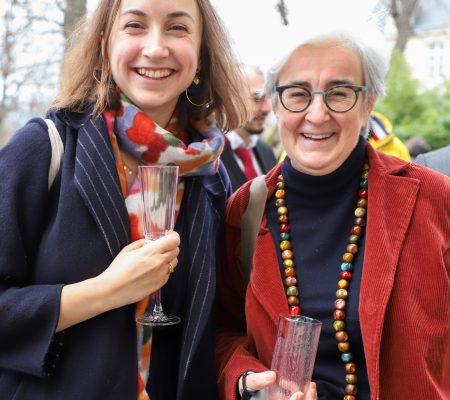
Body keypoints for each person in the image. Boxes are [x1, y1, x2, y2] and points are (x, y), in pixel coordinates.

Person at [0, 0, 250, 399]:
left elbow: (217, 324)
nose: (155, 47)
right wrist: (106, 290)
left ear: (201, 57)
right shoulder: (44, 149)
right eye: (135, 25)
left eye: (177, 28)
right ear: (104, 46)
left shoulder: (211, 175)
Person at [216, 19, 450, 400]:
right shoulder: (243, 211)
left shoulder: (434, 198)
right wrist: (249, 382)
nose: (317, 114)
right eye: (297, 93)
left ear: (369, 101)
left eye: (339, 93)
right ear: (275, 102)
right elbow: (222, 331)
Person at [221, 65, 277, 192]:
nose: (267, 108)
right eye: (257, 98)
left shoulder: (266, 151)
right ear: (229, 98)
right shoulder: (208, 155)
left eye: (269, 97)